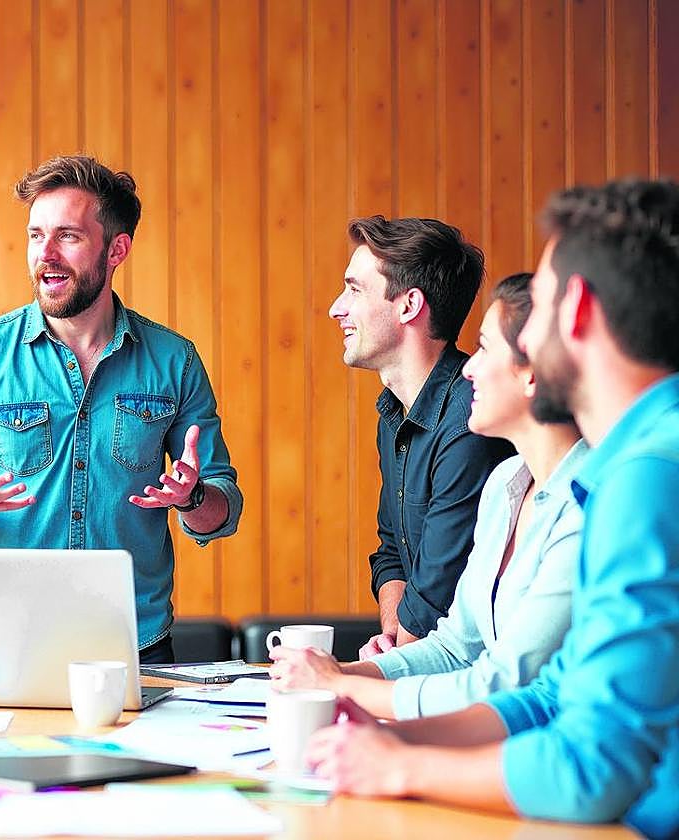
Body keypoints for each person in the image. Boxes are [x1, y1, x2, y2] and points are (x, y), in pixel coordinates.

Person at [306, 179, 679, 840]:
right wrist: (398, 734)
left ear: (578, 311)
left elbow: (591, 768)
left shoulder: (649, 475)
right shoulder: (630, 463)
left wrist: (401, 766)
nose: (518, 337)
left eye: (534, 310)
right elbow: (551, 694)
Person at [0, 155, 243, 665]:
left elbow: (223, 510)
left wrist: (193, 497)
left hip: (135, 645)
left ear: (116, 250)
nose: (46, 255)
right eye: (36, 235)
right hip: (2, 644)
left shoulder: (174, 361)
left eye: (68, 236)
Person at [272, 273, 587, 718]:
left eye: (484, 347)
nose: (470, 366)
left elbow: (506, 682)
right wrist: (336, 673)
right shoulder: (505, 484)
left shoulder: (590, 502)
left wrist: (342, 684)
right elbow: (455, 649)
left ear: (533, 372)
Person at [330, 216, 515, 655]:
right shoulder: (393, 412)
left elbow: (438, 588)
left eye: (354, 290)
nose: (337, 308)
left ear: (409, 305)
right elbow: (391, 552)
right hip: (426, 663)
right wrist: (395, 645)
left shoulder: (471, 418)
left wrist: (394, 662)